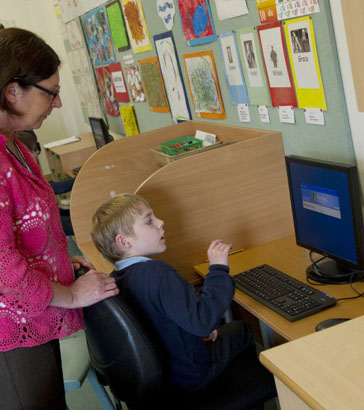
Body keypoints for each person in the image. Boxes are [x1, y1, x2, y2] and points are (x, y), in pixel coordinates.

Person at [0, 28, 119, 410]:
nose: (57, 102)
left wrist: (58, 265)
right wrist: (71, 295)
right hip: (10, 333)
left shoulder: (15, 145)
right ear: (13, 90)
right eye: (50, 92)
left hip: (30, 318)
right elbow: (3, 267)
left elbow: (19, 233)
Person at [91, 193, 255, 392]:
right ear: (125, 241)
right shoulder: (159, 274)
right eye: (149, 221)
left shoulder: (117, 278)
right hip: (189, 374)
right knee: (241, 330)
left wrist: (191, 332)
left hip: (162, 377)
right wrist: (218, 269)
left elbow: (160, 322)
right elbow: (204, 321)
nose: (161, 222)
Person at [16, 130, 75, 236]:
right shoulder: (20, 177)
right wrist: (78, 178)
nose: (37, 153)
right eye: (34, 149)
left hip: (45, 219)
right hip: (43, 225)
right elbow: (54, 188)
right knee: (80, 223)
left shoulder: (25, 172)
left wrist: (57, 207)